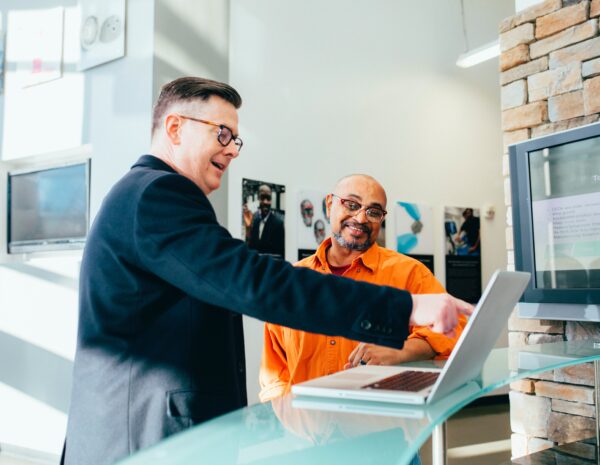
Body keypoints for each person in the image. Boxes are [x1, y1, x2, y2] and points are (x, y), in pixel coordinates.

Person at [63, 77, 472, 465]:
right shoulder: (157, 194)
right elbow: (255, 282)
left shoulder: (146, 195)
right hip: (144, 439)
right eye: (221, 133)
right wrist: (406, 308)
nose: (233, 149)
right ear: (174, 128)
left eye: (235, 138)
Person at [260, 175, 467, 402]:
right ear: (330, 204)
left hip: (381, 425)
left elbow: (455, 329)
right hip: (307, 429)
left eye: (374, 212)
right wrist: (288, 420)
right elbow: (274, 373)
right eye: (352, 204)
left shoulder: (410, 273)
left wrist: (401, 350)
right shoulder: (293, 282)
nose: (360, 218)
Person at [243, 183, 285, 258]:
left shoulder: (278, 224)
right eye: (262, 198)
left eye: (268, 198)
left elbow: (280, 255)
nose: (265, 202)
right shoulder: (255, 221)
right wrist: (248, 228)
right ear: (258, 199)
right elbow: (250, 248)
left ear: (271, 200)